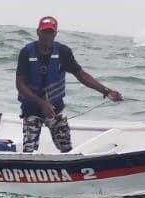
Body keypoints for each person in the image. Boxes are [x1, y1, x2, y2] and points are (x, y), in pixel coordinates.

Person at [15, 16, 123, 153]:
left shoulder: (63, 52)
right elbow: (20, 85)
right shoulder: (26, 52)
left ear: (55, 33)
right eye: (44, 32)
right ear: (38, 32)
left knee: (66, 148)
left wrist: (106, 91)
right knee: (28, 150)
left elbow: (81, 75)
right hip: (31, 108)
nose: (47, 36)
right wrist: (41, 103)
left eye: (51, 32)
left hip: (56, 108)